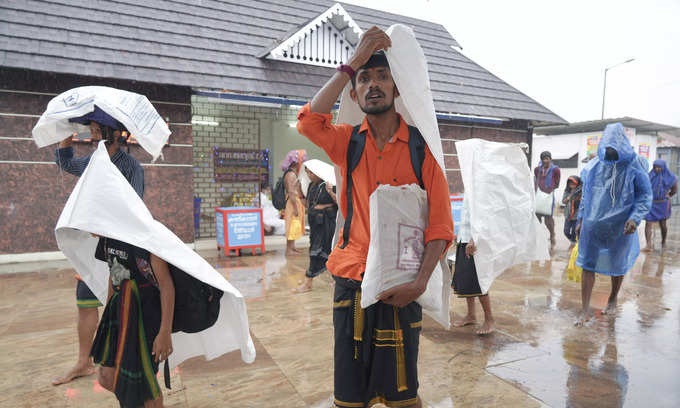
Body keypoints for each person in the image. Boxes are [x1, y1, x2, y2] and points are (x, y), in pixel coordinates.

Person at [297, 27, 453, 408]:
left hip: (402, 286)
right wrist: (353, 63)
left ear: (396, 88)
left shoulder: (422, 151)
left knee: (403, 394)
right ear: (354, 93)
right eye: (365, 79)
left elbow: (440, 227)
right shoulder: (347, 142)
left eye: (382, 76)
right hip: (351, 280)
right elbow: (308, 121)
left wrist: (418, 284)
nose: (373, 85)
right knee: (349, 398)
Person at [52, 107, 144, 386]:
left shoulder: (131, 166)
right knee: (85, 302)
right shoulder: (94, 161)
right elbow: (67, 165)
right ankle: (84, 361)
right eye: (90, 129)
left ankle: (120, 359)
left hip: (117, 248)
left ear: (115, 132)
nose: (92, 133)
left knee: (119, 305)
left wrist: (104, 224)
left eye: (96, 129)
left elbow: (135, 207)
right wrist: (66, 136)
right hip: (90, 247)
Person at [574, 123, 652, 326]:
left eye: (613, 149)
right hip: (593, 224)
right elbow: (585, 195)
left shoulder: (635, 164)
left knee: (617, 265)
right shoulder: (594, 166)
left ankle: (613, 297)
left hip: (621, 226)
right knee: (587, 264)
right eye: (607, 149)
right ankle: (584, 310)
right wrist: (581, 219)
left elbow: (645, 195)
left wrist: (635, 218)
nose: (610, 153)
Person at [91, 236, 174, 408]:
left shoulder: (144, 238)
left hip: (145, 318)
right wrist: (107, 313)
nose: (90, 232)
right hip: (118, 312)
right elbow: (113, 274)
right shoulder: (106, 239)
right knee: (108, 376)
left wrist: (165, 331)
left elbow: (166, 285)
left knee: (145, 388)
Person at [452, 198, 495, 335]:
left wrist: (474, 239)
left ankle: (489, 319)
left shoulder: (480, 185)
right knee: (466, 279)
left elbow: (485, 216)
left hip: (475, 242)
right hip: (463, 238)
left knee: (478, 281)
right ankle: (471, 315)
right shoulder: (469, 185)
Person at [295, 167, 338, 293]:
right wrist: (299, 191)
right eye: (307, 172)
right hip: (315, 225)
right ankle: (329, 280)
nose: (309, 175)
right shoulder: (312, 186)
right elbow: (309, 205)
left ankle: (310, 282)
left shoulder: (330, 184)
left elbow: (340, 203)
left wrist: (331, 192)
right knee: (316, 250)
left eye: (312, 172)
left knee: (325, 251)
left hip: (327, 224)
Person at [643, 159, 678, 251]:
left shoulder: (670, 177)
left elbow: (674, 189)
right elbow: (644, 187)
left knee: (663, 224)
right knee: (648, 223)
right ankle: (648, 245)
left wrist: (669, 195)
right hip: (651, 203)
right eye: (655, 167)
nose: (657, 169)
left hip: (663, 203)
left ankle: (663, 241)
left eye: (659, 167)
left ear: (663, 167)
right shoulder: (650, 176)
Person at [280, 149, 307, 256]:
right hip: (292, 203)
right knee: (292, 224)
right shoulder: (291, 174)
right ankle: (289, 249)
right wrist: (296, 208)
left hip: (295, 202)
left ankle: (292, 247)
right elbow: (291, 192)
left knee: (295, 224)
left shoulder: (292, 173)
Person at [534, 151, 561, 247]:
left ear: (550, 159)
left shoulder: (556, 170)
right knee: (536, 218)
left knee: (548, 219)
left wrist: (549, 189)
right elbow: (535, 181)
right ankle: (538, 239)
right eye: (543, 159)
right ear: (541, 160)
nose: (545, 160)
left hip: (549, 196)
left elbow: (557, 183)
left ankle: (552, 234)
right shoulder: (537, 169)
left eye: (547, 158)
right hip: (538, 196)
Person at [562, 176, 582, 250]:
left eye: (573, 184)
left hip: (576, 215)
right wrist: (569, 196)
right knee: (566, 231)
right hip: (568, 215)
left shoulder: (581, 191)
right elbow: (563, 201)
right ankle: (573, 241)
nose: (572, 185)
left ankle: (573, 244)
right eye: (570, 184)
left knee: (574, 231)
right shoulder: (567, 191)